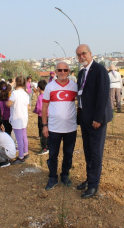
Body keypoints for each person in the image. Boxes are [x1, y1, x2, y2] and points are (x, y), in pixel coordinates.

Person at [76, 44, 113, 199]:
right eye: (78, 55)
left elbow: (103, 95)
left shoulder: (99, 70)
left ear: (90, 53)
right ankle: (90, 178)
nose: (81, 57)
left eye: (83, 53)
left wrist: (98, 118)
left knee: (96, 152)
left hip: (97, 119)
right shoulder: (81, 73)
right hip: (85, 118)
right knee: (88, 150)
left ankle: (94, 185)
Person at [42, 62, 78, 190]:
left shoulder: (74, 86)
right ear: (55, 72)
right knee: (53, 155)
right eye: (60, 70)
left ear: (69, 71)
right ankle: (52, 177)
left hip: (71, 128)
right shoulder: (50, 87)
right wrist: (44, 125)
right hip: (54, 128)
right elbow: (44, 107)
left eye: (65, 70)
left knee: (68, 154)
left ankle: (65, 175)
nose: (62, 72)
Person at [7, 76, 30, 164]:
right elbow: (27, 106)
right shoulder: (25, 94)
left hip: (16, 117)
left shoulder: (15, 93)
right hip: (24, 117)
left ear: (16, 82)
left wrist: (6, 102)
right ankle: (25, 152)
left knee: (19, 138)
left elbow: (9, 104)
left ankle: (20, 156)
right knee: (24, 135)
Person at [33, 80, 48, 155]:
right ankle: (48, 146)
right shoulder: (48, 95)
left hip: (41, 116)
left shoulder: (40, 97)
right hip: (49, 116)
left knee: (42, 132)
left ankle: (44, 148)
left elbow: (39, 108)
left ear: (38, 88)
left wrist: (35, 111)